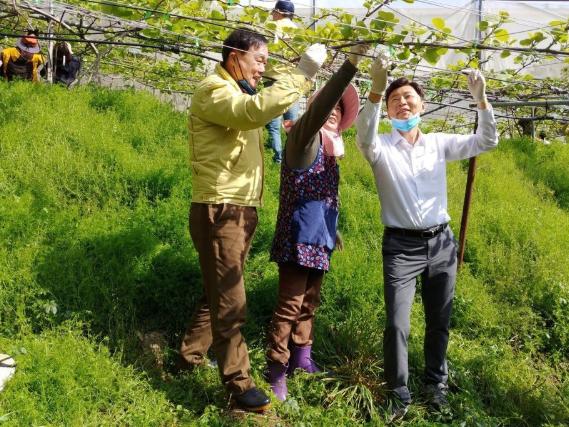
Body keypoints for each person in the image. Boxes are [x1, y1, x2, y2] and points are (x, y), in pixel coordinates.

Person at [178, 28, 326, 413]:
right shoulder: (214, 90)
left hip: (239, 208)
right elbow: (251, 113)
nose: (263, 69)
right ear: (234, 57)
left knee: (218, 291)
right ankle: (239, 384)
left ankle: (189, 357)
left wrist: (294, 76)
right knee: (231, 300)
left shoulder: (239, 89)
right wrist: (302, 73)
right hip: (220, 208)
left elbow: (261, 101)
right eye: (259, 60)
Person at [355, 54, 498, 418]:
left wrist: (481, 100)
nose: (402, 102)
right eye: (395, 99)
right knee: (397, 323)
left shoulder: (438, 143)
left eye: (409, 97)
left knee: (439, 320)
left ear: (422, 104)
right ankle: (398, 393)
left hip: (441, 243)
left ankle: (436, 386)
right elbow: (364, 134)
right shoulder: (380, 147)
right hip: (401, 246)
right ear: (388, 110)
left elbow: (486, 141)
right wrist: (375, 91)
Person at [265, 45, 367, 401]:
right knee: (289, 305)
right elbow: (321, 107)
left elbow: (321, 198)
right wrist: (350, 66)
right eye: (329, 107)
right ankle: (276, 369)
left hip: (319, 240)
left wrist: (331, 230)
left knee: (309, 303)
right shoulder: (303, 141)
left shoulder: (330, 153)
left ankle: (301, 359)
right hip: (297, 240)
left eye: (340, 110)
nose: (334, 112)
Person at [264, 0, 299, 163]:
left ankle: (277, 159)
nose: (272, 15)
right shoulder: (298, 32)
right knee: (291, 124)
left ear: (279, 12)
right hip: (292, 82)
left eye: (273, 12)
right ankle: (293, 159)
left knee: (273, 123)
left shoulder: (271, 27)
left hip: (273, 80)